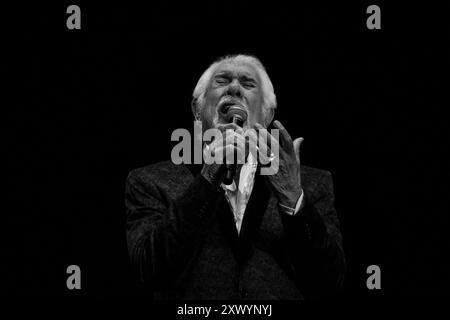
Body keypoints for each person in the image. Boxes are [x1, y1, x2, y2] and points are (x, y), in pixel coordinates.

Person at [125, 54, 345, 299]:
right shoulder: (150, 180)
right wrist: (209, 175)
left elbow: (329, 283)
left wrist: (292, 198)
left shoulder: (311, 184)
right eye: (222, 81)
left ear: (267, 115)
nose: (234, 88)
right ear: (197, 111)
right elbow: (149, 271)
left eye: (248, 84)